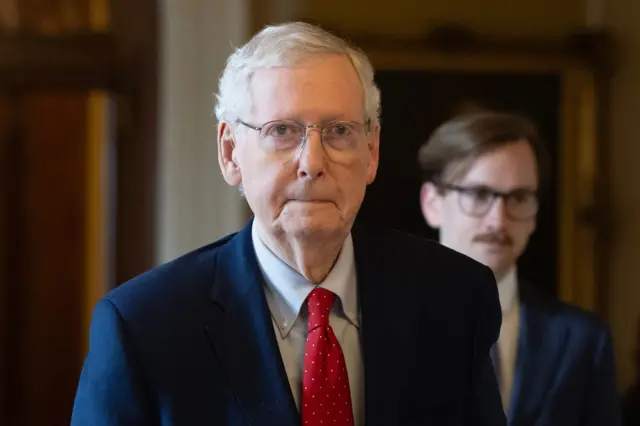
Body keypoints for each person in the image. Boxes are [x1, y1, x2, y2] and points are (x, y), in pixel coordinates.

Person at [70, 22, 506, 426]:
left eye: (338, 131)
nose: (312, 163)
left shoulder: (454, 299)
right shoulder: (145, 327)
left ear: (371, 152)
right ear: (230, 152)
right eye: (282, 131)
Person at [417, 111, 621, 426]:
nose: (498, 220)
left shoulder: (583, 341)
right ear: (432, 203)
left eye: (519, 197)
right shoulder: (374, 324)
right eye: (478, 195)